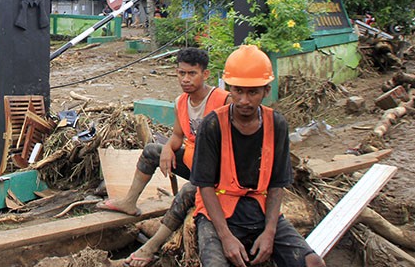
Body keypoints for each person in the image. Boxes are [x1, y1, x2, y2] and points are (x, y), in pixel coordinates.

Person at [191, 45, 325, 267]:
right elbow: (204, 185)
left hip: (259, 209)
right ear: (229, 88)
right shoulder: (213, 124)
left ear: (266, 90)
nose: (244, 100)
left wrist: (269, 233)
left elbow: (276, 184)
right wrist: (226, 237)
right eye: (238, 91)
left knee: (313, 263)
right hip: (219, 213)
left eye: (253, 92)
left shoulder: (276, 124)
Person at [97, 47, 230, 266]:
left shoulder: (223, 101)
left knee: (188, 192)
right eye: (181, 73)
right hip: (193, 162)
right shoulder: (181, 102)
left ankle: (151, 247)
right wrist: (168, 148)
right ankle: (129, 202)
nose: (185, 79)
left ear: (205, 74)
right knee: (152, 151)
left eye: (192, 73)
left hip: (217, 173)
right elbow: (177, 135)